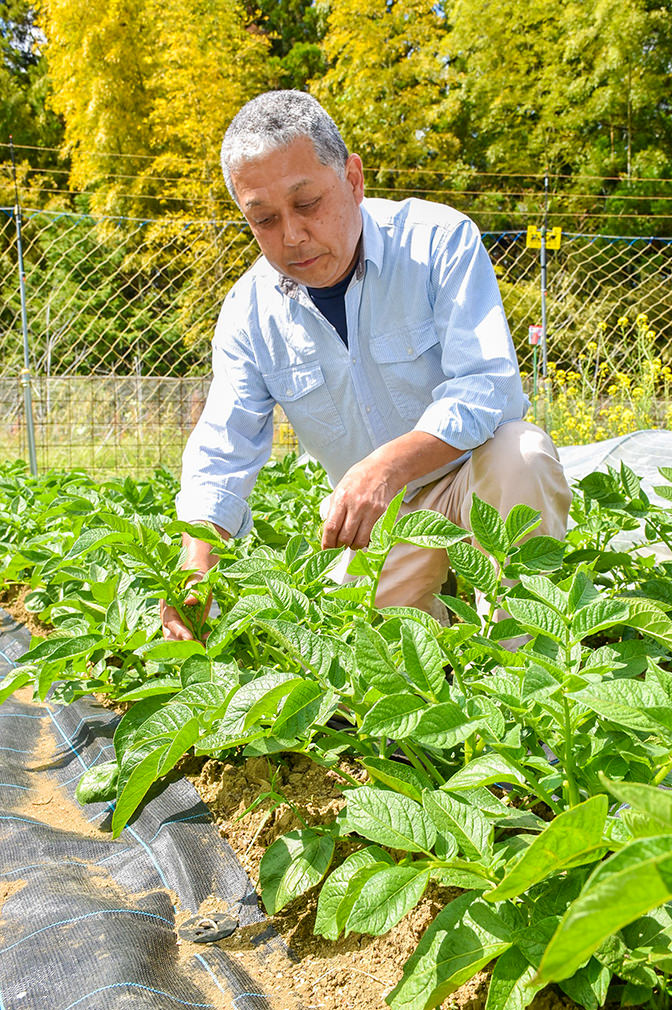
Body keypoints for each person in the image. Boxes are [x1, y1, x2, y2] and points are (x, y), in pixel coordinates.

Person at [161, 90, 571, 641]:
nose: (292, 236)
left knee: (522, 454)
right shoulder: (249, 313)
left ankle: (524, 670)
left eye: (307, 204)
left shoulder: (438, 242)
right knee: (376, 669)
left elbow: (487, 388)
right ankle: (437, 644)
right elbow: (221, 451)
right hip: (376, 522)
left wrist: (387, 466)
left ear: (353, 179)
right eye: (263, 219)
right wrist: (196, 569)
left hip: (470, 474)